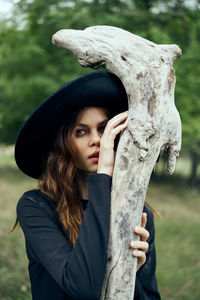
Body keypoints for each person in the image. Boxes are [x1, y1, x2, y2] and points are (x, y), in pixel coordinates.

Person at [14, 71, 161, 300]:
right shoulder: (36, 207)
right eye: (81, 132)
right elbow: (81, 287)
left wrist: (131, 274)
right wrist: (103, 174)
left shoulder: (137, 213)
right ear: (63, 143)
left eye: (103, 128)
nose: (97, 140)